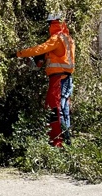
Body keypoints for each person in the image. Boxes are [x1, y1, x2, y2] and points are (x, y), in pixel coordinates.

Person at [16, 14, 75, 147]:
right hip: (65, 79)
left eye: (49, 24)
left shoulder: (56, 39)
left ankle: (59, 142)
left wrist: (19, 53)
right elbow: (44, 58)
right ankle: (66, 142)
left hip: (58, 80)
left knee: (55, 109)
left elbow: (39, 49)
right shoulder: (67, 39)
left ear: (53, 23)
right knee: (62, 110)